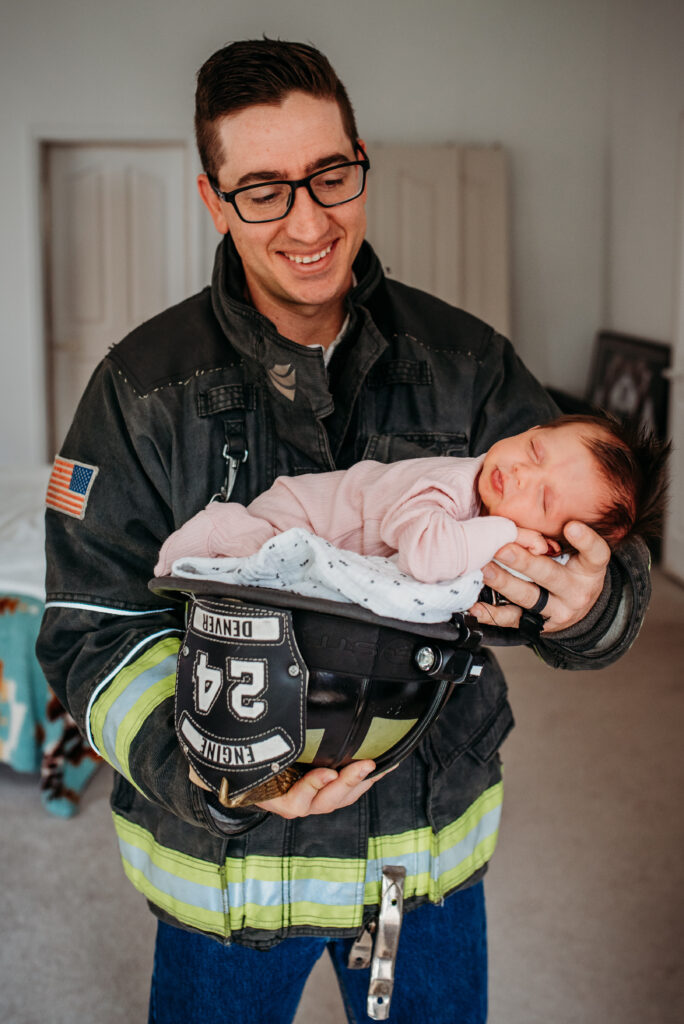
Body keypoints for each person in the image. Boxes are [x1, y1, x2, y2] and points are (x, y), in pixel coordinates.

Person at [36, 39, 652, 1024]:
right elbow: (88, 633)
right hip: (223, 883)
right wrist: (209, 764)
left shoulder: (470, 364)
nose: (311, 221)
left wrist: (592, 603)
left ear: (361, 155)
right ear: (213, 198)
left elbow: (599, 540)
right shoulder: (138, 391)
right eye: (264, 190)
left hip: (426, 864)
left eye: (330, 174)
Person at [154, 412, 669, 584]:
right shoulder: (449, 487)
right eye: (534, 450)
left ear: (554, 542)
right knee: (258, 565)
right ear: (533, 428)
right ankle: (215, 530)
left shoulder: (481, 511)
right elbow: (426, 555)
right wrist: (512, 530)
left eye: (544, 501)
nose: (519, 474)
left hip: (322, 540)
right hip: (294, 515)